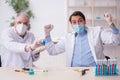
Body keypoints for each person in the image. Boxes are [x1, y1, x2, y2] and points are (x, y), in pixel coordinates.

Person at [43, 11, 120, 67]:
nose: (77, 24)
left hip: (94, 70)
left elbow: (115, 41)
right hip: (74, 72)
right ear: (71, 25)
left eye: (80, 21)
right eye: (74, 22)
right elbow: (52, 51)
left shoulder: (97, 32)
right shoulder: (68, 38)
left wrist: (111, 24)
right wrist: (47, 34)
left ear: (84, 21)